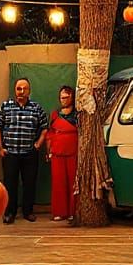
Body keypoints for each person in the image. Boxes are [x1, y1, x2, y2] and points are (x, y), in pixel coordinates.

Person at [0, 77, 48, 224]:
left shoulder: (36, 108)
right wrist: (0, 147)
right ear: (15, 90)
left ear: (29, 91)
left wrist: (39, 143)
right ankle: (9, 212)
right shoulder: (5, 106)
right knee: (10, 184)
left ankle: (28, 212)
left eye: (24, 89)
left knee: (29, 183)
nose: (21, 92)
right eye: (19, 89)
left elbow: (44, 127)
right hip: (10, 153)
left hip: (29, 153)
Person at [46, 85, 79, 222]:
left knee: (73, 182)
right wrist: (48, 151)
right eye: (61, 97)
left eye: (66, 97)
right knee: (58, 182)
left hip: (73, 152)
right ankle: (60, 212)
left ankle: (73, 212)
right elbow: (49, 134)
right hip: (57, 153)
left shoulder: (78, 115)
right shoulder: (55, 115)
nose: (63, 100)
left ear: (72, 97)